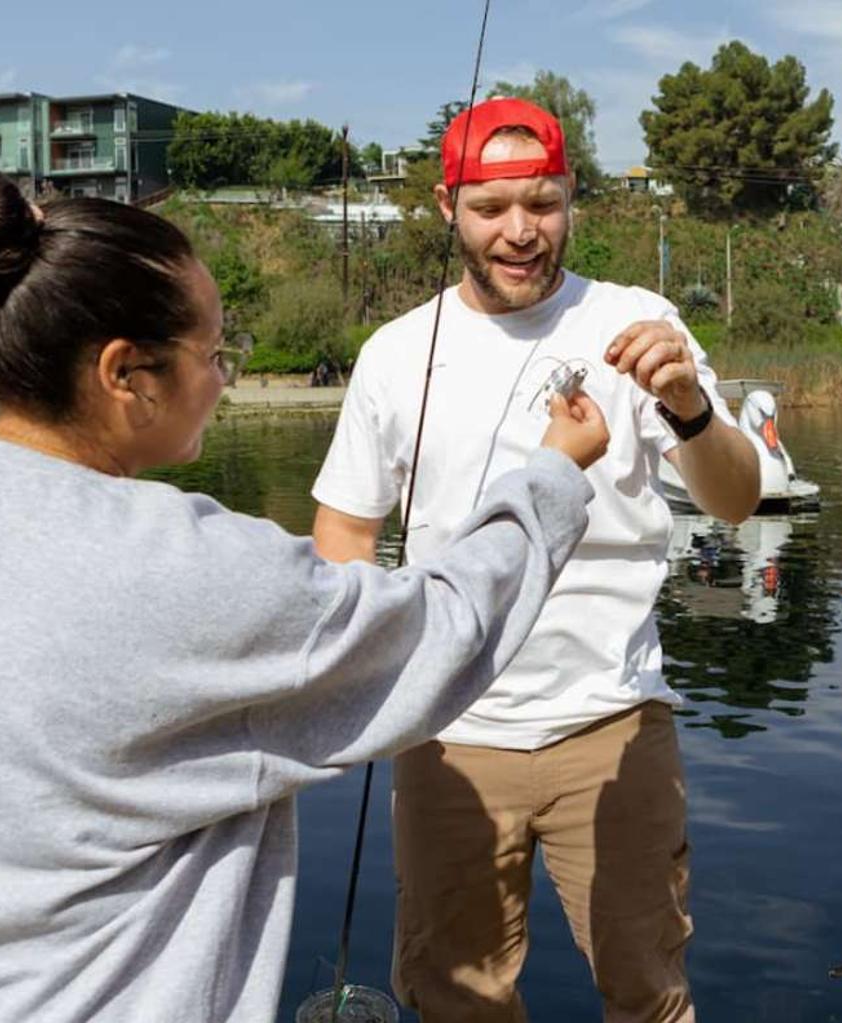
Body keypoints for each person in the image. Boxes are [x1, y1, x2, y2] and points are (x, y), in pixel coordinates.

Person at [0, 171, 611, 1021]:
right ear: (127, 373)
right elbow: (442, 632)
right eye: (213, 354)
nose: (224, 379)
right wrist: (551, 473)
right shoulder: (177, 565)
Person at [310, 98, 762, 1022]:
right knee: (457, 998)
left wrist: (689, 407)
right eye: (491, 207)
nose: (520, 231)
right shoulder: (396, 354)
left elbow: (738, 500)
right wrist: (375, 678)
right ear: (447, 207)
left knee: (650, 992)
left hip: (614, 720)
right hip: (449, 734)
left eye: (543, 203)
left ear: (571, 199)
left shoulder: (639, 322)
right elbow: (344, 535)